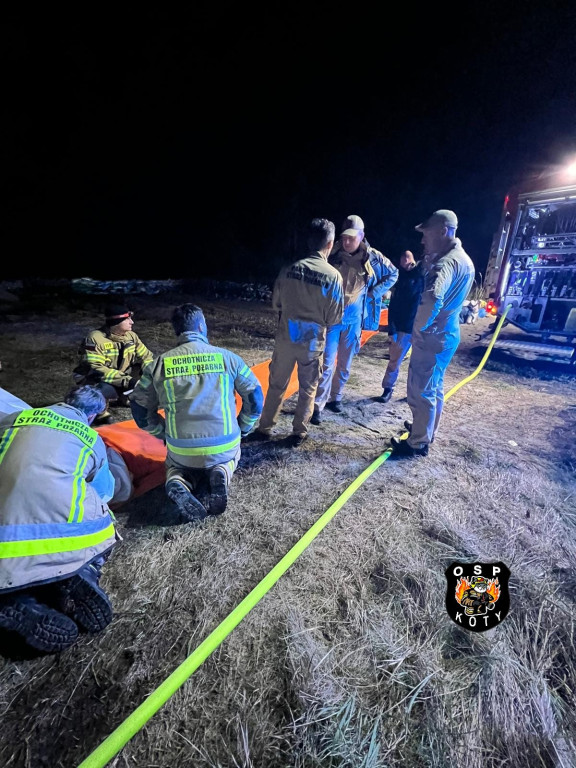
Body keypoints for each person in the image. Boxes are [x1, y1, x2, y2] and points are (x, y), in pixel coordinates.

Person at [0, 385, 119, 654]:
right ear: (91, 416)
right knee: (102, 517)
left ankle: (14, 597)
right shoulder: (90, 437)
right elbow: (105, 491)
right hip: (57, 531)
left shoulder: (16, 417)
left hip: (4, 529)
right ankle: (83, 570)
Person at [129, 303, 263, 519]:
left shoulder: (158, 365)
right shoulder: (228, 358)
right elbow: (255, 397)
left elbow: (138, 406)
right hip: (225, 444)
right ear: (202, 326)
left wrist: (161, 432)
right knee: (231, 456)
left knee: (176, 464)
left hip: (181, 448)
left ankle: (176, 479)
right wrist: (243, 427)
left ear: (176, 331)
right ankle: (222, 471)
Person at [250, 218, 344, 445]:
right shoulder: (333, 277)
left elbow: (276, 304)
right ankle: (298, 431)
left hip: (285, 338)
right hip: (311, 342)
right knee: (308, 388)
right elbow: (334, 318)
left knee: (276, 384)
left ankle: (265, 427)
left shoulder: (289, 270)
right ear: (330, 244)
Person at [391, 210, 475, 458]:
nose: (422, 240)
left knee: (421, 389)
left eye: (426, 234)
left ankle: (417, 443)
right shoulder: (464, 260)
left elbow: (432, 299)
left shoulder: (445, 264)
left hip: (433, 336)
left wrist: (418, 330)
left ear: (443, 232)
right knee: (435, 387)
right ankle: (426, 430)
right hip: (447, 333)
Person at [310, 215, 398, 424]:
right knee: (327, 363)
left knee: (345, 364)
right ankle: (318, 406)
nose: (347, 242)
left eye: (352, 238)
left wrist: (373, 294)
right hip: (332, 318)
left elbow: (393, 274)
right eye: (344, 237)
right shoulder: (331, 253)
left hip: (354, 320)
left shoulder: (373, 257)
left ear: (362, 236)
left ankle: (336, 398)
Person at [73, 303, 154, 423]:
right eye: (127, 319)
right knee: (101, 388)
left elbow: (147, 356)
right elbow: (97, 369)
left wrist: (150, 376)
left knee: (144, 370)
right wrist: (130, 382)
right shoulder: (95, 338)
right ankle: (100, 413)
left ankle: (125, 397)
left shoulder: (131, 336)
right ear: (116, 322)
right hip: (99, 379)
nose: (132, 322)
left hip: (121, 378)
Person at [377, 250, 425, 403]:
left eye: (407, 258)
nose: (404, 261)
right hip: (402, 328)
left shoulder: (422, 275)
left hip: (419, 327)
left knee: (417, 364)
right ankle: (388, 389)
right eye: (402, 258)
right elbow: (393, 306)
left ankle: (414, 393)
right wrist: (392, 328)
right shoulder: (399, 279)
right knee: (394, 361)